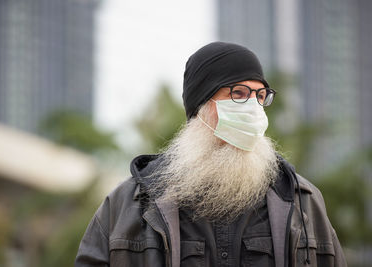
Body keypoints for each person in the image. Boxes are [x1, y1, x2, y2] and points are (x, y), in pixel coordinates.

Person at [75, 42, 347, 267]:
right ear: (201, 107)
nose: (252, 108)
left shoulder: (302, 201)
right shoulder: (127, 204)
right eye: (238, 93)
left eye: (260, 95)